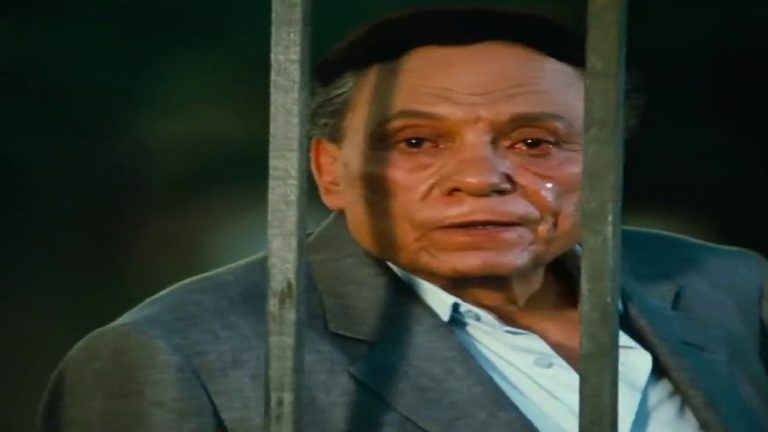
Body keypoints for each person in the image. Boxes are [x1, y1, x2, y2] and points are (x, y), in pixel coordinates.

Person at [38, 8, 768, 432]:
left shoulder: (732, 290)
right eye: (416, 142)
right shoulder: (178, 358)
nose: (480, 177)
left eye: (534, 142)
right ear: (328, 170)